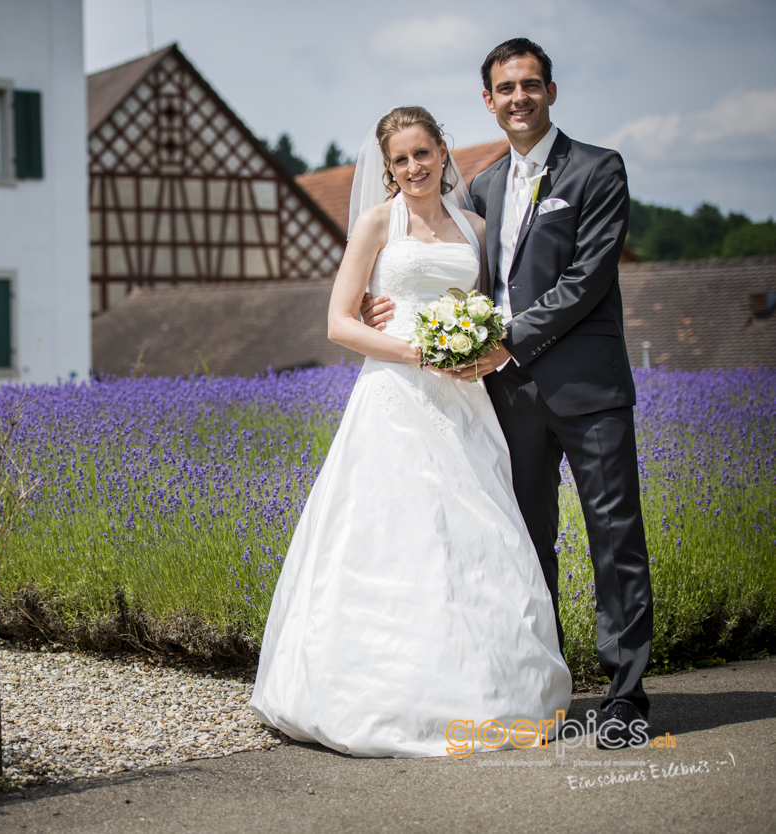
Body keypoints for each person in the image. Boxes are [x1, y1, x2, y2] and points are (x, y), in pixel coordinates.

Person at [248, 106, 571, 758]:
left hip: (464, 398)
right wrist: (417, 352)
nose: (414, 168)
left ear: (441, 151)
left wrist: (477, 342)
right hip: (394, 392)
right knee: (391, 534)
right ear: (388, 167)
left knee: (479, 533)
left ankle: (486, 690)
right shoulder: (375, 223)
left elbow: (492, 304)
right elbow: (341, 323)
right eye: (401, 160)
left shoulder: (475, 227)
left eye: (423, 154)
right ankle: (372, 693)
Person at [362, 40, 653, 750]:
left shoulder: (597, 169)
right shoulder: (481, 190)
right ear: (487, 100)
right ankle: (542, 687)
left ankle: (624, 697)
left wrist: (509, 339)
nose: (518, 97)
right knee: (524, 545)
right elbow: (450, 269)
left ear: (550, 91)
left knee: (615, 538)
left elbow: (586, 281)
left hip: (588, 388)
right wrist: (384, 305)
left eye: (530, 85)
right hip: (508, 398)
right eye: (504, 88)